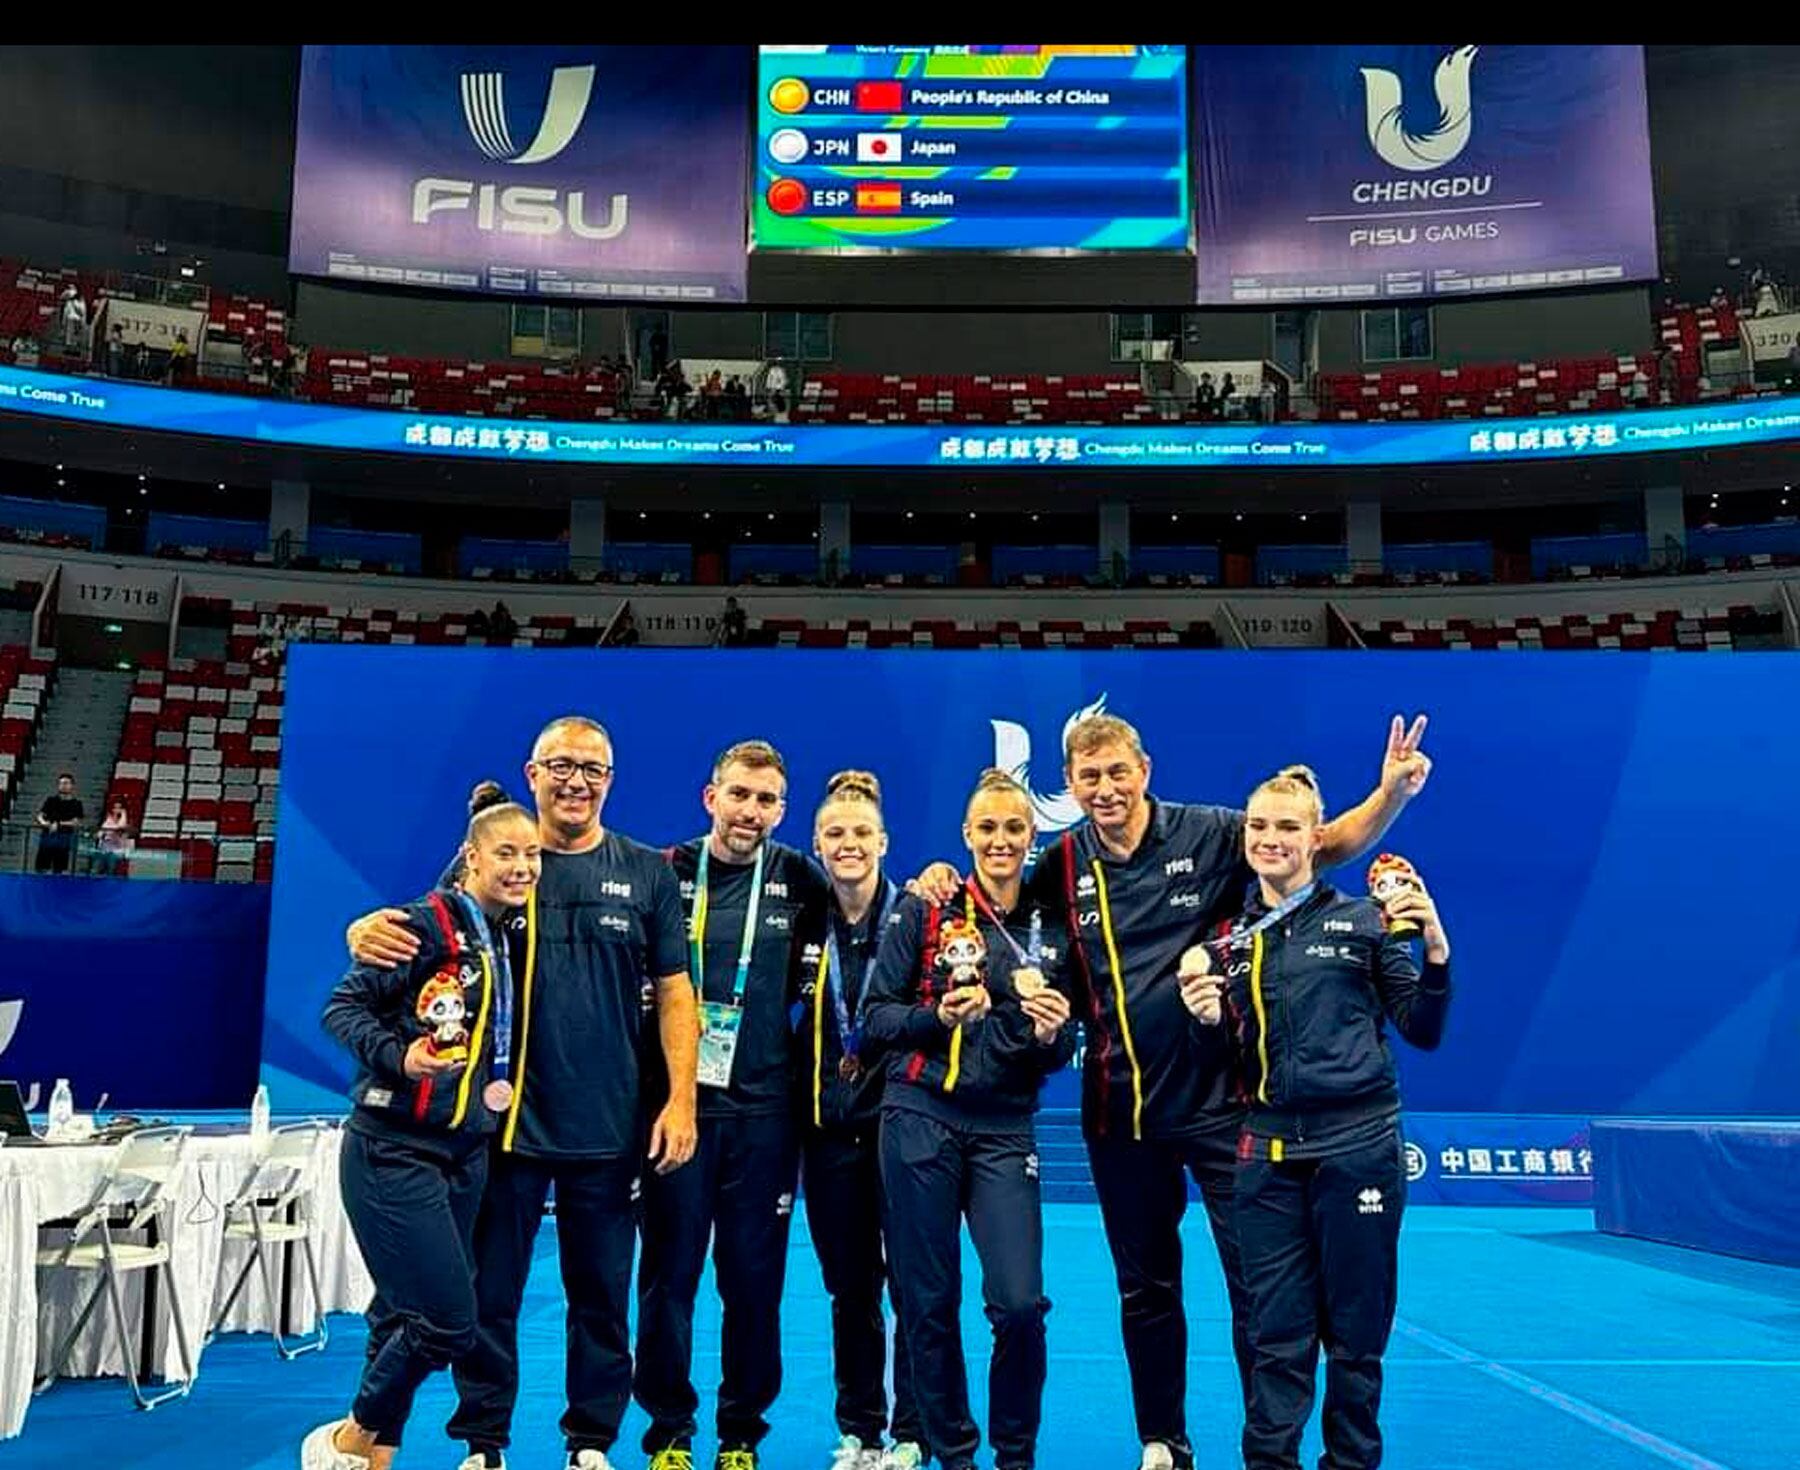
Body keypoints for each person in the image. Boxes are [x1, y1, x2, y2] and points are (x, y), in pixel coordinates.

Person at [914, 711, 1432, 1470]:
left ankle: (1270, 1452)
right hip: (1120, 1112)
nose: (1105, 789)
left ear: (1144, 770)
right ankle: (1164, 1440)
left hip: (1226, 1106)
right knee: (1146, 1291)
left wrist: (1390, 795)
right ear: (1071, 784)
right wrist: (938, 883)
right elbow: (993, 905)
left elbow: (1324, 846)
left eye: (1118, 772)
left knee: (1261, 1295)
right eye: (1089, 777)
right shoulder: (1062, 864)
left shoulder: (1213, 832)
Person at [346, 716, 697, 1470]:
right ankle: (483, 1441)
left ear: (612, 780)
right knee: (489, 1297)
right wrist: (362, 931)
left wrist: (681, 1100)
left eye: (593, 769)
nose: (576, 781)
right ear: (531, 773)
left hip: (609, 1128)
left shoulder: (646, 872)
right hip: (496, 1133)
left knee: (601, 1298)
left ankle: (591, 1442)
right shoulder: (492, 866)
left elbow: (675, 992)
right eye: (561, 765)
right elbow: (416, 936)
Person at [1185, 766, 1450, 1470]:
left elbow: (1420, 1027)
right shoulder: (1227, 941)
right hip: (1265, 1155)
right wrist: (1206, 1019)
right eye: (1260, 826)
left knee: (1356, 1335)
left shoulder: (1363, 921)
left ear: (1315, 836)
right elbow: (1220, 1062)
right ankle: (1270, 1462)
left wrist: (1436, 951)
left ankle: (1351, 1462)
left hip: (1358, 1147)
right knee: (1275, 1333)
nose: (1271, 838)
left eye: (1287, 826)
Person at [306, 802, 542, 1470]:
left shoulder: (508, 929)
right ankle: (347, 1439)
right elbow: (340, 1008)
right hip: (393, 1146)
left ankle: (375, 1457)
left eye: (531, 856)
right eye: (506, 854)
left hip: (466, 1151)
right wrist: (400, 1057)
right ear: (472, 858)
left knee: (397, 1314)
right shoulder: (418, 926)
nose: (522, 867)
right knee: (446, 1322)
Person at [861, 768, 1075, 1470]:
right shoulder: (926, 909)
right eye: (987, 828)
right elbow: (875, 1019)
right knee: (927, 1303)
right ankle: (953, 1452)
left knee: (1018, 1304)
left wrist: (1050, 1037)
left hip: (1004, 1129)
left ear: (1032, 834)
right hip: (918, 1116)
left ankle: (1015, 1455)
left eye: (1014, 828)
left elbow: (1063, 1041)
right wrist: (937, 1018)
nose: (1000, 840)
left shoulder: (1052, 923)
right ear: (966, 834)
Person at [634, 740, 829, 1470]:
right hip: (675, 1111)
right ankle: (670, 1433)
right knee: (669, 1275)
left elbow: (876, 904)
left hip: (764, 1116)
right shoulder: (662, 874)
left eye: (767, 800)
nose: (751, 811)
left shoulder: (802, 880)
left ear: (783, 809)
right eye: (739, 795)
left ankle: (742, 1431)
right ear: (709, 796)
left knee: (753, 1281)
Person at [792, 772, 923, 1470]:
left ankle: (911, 1431)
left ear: (884, 841)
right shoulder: (800, 924)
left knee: (911, 1284)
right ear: (817, 845)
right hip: (826, 1135)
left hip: (902, 1133)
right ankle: (860, 1430)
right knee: (851, 1288)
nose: (849, 845)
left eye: (861, 834)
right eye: (835, 835)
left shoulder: (916, 917)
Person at [33, 773, 83, 875]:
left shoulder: (76, 803)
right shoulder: (51, 800)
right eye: (60, 783)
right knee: (41, 867)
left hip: (63, 839)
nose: (63, 785)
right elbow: (40, 815)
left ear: (72, 785)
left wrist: (58, 824)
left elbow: (76, 822)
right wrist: (44, 823)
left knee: (59, 869)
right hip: (48, 837)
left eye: (66, 783)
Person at [94, 798, 133, 876]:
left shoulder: (125, 822)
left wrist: (123, 814)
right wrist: (102, 834)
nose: (116, 809)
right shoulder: (107, 819)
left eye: (119, 808)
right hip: (104, 849)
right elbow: (100, 833)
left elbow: (120, 828)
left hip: (116, 851)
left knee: (111, 870)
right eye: (115, 807)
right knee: (97, 871)